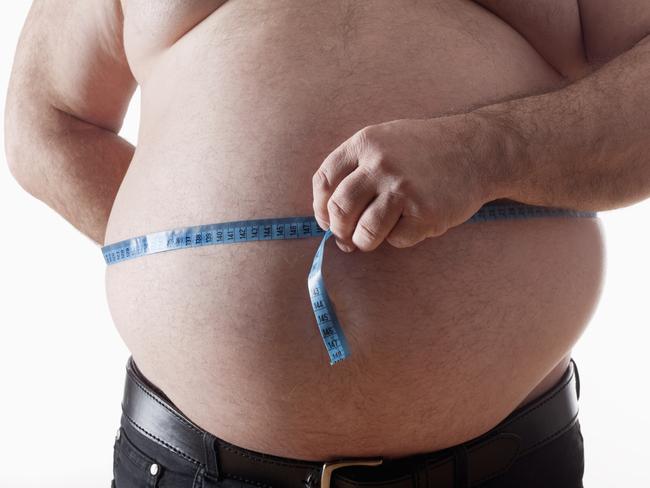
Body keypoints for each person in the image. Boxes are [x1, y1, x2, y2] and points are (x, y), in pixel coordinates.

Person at [5, 1, 650, 486]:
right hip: (189, 463)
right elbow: (47, 118)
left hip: (502, 461)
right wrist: (188, 277)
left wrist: (486, 152)